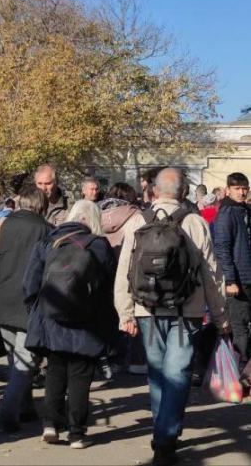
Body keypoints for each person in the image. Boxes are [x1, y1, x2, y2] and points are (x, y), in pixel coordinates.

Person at [115, 168, 229, 466]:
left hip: (146, 309)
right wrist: (220, 315)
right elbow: (212, 273)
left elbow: (125, 271)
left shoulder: (138, 221)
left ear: (153, 191)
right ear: (183, 192)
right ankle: (165, 438)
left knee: (157, 374)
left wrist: (124, 312)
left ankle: (163, 432)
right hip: (186, 310)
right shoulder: (194, 222)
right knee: (177, 375)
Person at [23, 200, 117, 450]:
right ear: (92, 220)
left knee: (54, 371)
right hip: (88, 322)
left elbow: (30, 284)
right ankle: (77, 433)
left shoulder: (48, 243)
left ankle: (50, 424)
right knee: (80, 377)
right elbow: (110, 286)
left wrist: (38, 310)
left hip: (52, 318)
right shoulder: (99, 246)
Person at [0, 184, 51, 433]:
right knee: (25, 362)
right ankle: (7, 415)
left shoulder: (2, 224)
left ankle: (26, 408)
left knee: (16, 360)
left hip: (2, 300)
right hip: (30, 302)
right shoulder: (46, 230)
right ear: (41, 205)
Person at [99, 182, 147, 375]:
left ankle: (107, 358)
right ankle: (134, 360)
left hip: (103, 269)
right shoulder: (137, 216)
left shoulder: (98, 213)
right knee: (130, 315)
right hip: (127, 270)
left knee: (105, 315)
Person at [213, 172, 251, 369]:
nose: (242, 192)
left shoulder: (244, 210)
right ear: (228, 190)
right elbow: (222, 248)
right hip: (238, 279)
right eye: (237, 188)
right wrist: (230, 280)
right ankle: (241, 372)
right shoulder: (227, 212)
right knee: (239, 326)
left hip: (247, 277)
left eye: (245, 188)